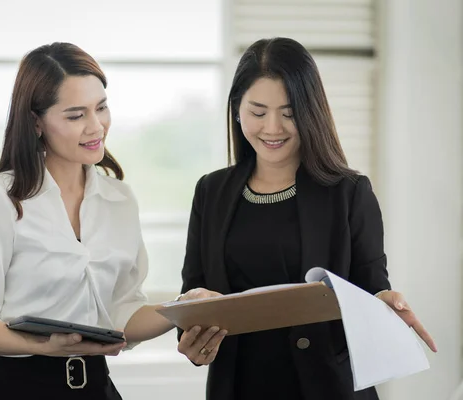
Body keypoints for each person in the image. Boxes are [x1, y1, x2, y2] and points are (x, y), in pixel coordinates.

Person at [174, 37, 438, 400]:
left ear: (310, 110)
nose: (272, 128)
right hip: (238, 385)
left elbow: (372, 287)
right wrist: (192, 334)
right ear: (237, 108)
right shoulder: (211, 191)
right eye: (258, 111)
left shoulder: (349, 192)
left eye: (289, 111)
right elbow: (194, 291)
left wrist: (384, 303)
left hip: (327, 387)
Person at [0, 42, 199, 400]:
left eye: (101, 108)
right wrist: (42, 346)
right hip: (12, 387)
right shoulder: (0, 198)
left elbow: (122, 312)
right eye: (75, 115)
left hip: (94, 386)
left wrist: (186, 308)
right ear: (36, 122)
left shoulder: (120, 200)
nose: (96, 127)